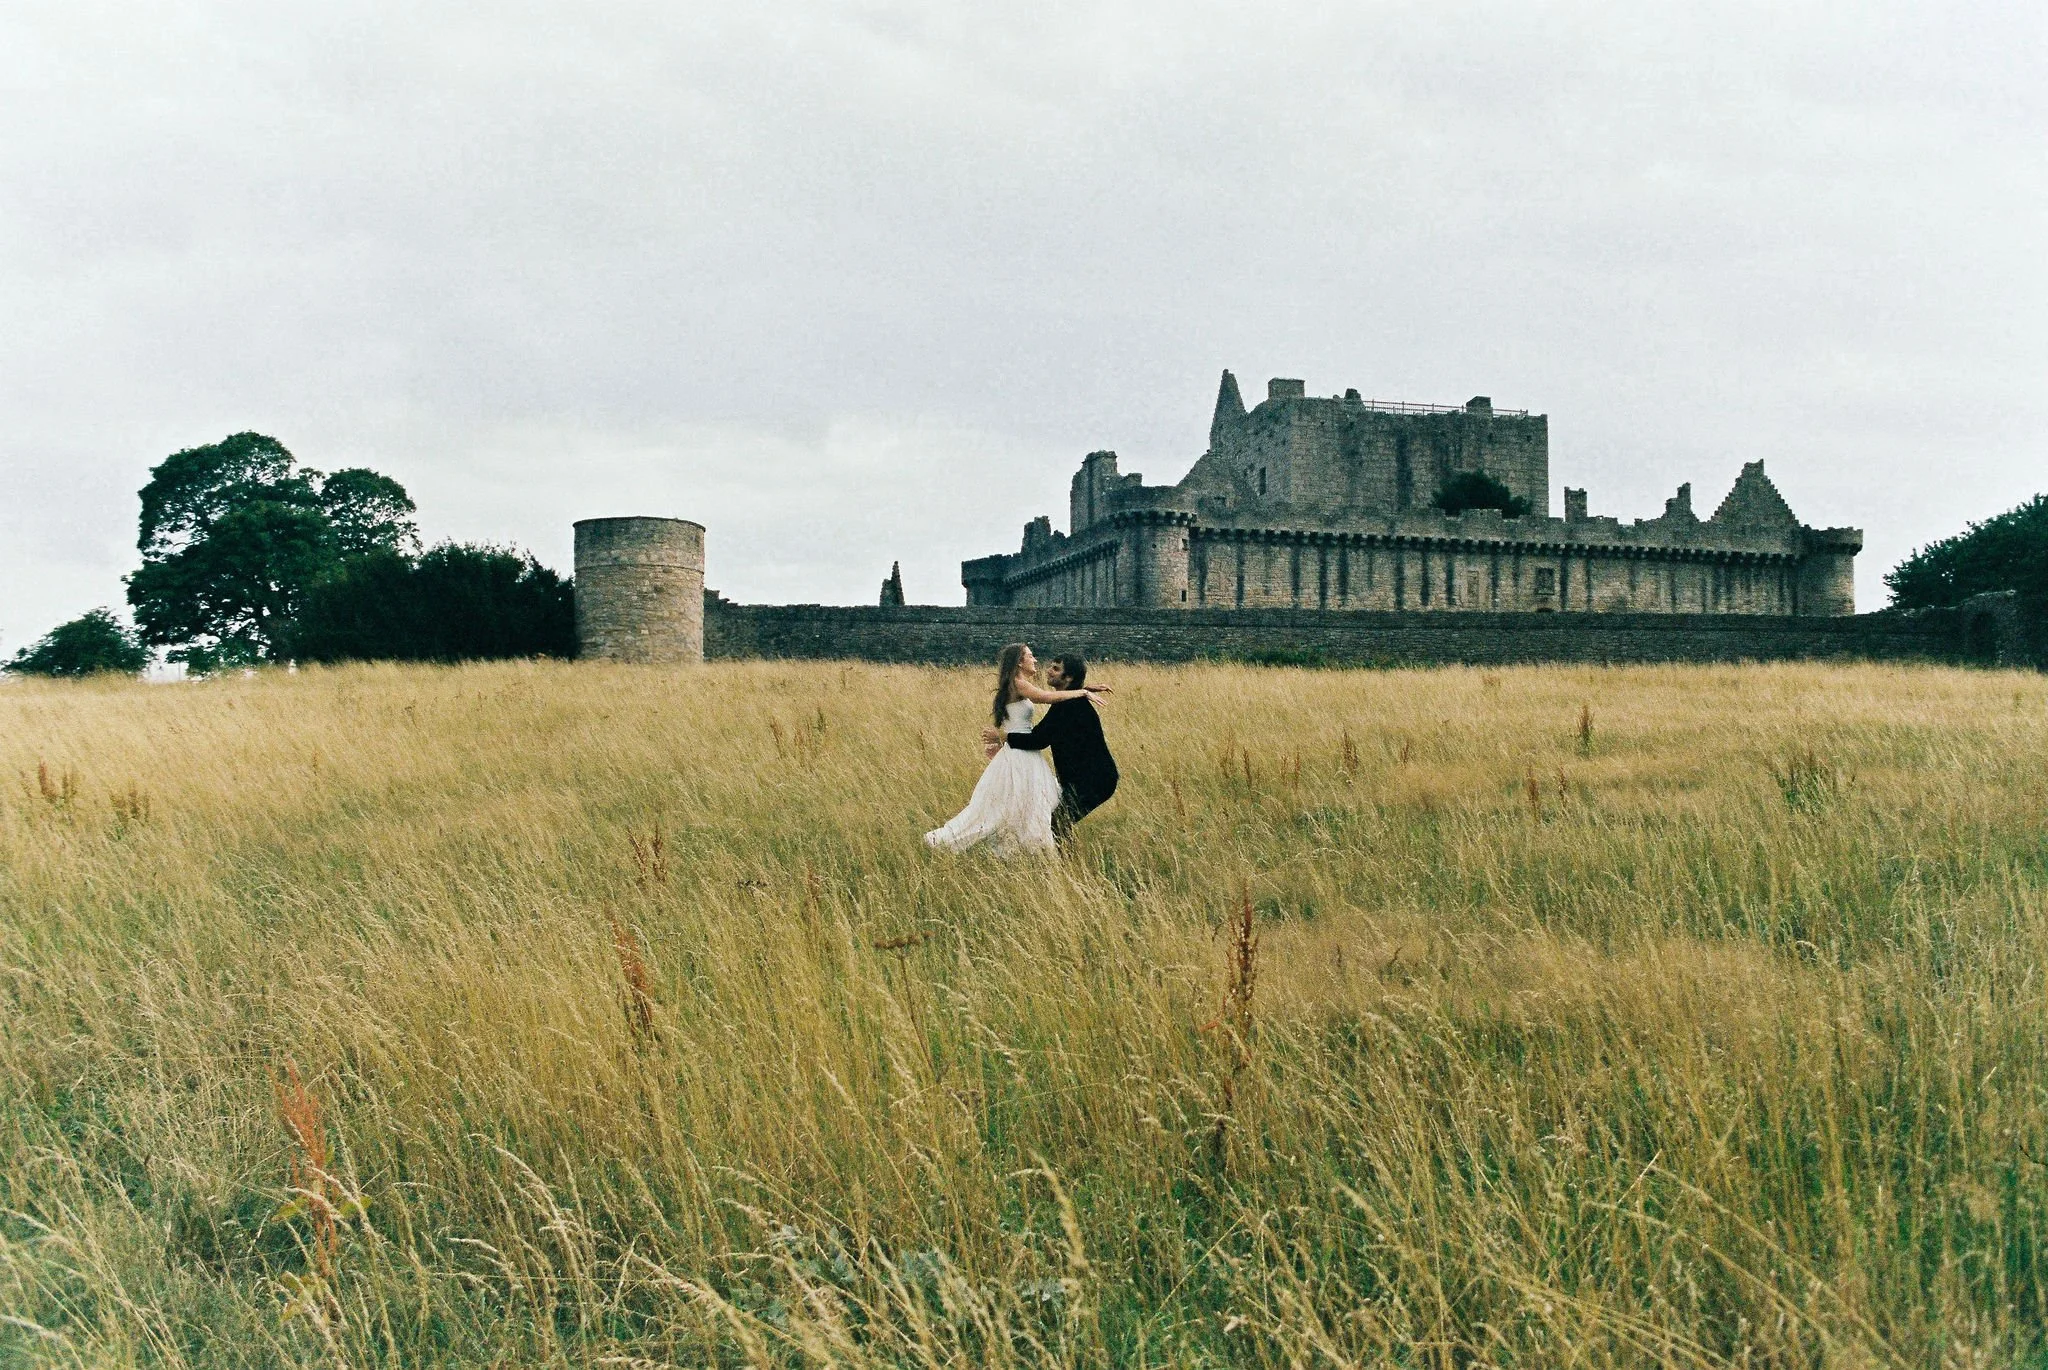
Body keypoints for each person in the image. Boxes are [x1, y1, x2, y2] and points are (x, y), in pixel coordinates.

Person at [924, 644, 1108, 856]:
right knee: (1012, 808)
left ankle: (1043, 853)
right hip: (1021, 753)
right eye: (1031, 656)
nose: (1036, 660)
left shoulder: (1019, 684)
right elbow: (1045, 697)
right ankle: (943, 841)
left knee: (1031, 806)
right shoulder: (1018, 683)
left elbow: (1045, 696)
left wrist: (1083, 690)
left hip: (1023, 751)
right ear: (1020, 662)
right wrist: (1082, 691)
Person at [981, 652, 1118, 846]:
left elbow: (1038, 739)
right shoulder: (1068, 703)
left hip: (1095, 780)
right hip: (1087, 779)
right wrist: (1083, 689)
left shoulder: (1069, 706)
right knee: (1058, 822)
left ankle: (1069, 868)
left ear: (1068, 678)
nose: (1048, 670)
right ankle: (1068, 866)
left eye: (1056, 668)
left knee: (1058, 823)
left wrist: (1003, 737)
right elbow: (1047, 721)